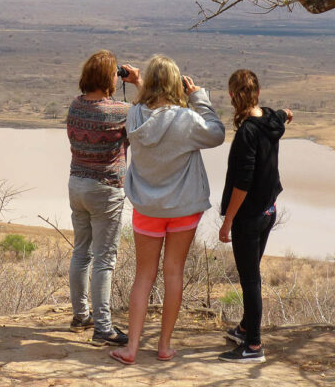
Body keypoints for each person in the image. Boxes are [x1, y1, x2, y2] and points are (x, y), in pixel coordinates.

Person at [109, 55, 225, 365]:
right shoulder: (187, 119)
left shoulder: (134, 115)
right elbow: (216, 133)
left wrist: (139, 82)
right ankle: (164, 346)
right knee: (174, 272)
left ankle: (131, 349)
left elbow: (150, 110)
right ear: (177, 84)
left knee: (143, 276)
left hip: (147, 208)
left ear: (150, 82)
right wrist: (199, 99)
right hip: (184, 207)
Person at [66, 50, 142, 345]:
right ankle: (103, 328)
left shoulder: (75, 105)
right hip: (106, 189)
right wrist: (138, 82)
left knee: (81, 252)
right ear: (109, 78)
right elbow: (147, 113)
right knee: (104, 259)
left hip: (77, 184)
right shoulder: (119, 111)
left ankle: (80, 316)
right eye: (114, 73)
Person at [218, 69, 293, 363]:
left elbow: (243, 183)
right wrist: (287, 113)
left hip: (249, 218)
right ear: (258, 93)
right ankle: (245, 328)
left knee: (250, 280)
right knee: (252, 275)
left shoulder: (247, 133)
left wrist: (227, 221)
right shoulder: (270, 119)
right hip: (268, 211)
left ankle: (253, 346)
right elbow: (282, 115)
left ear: (232, 96)